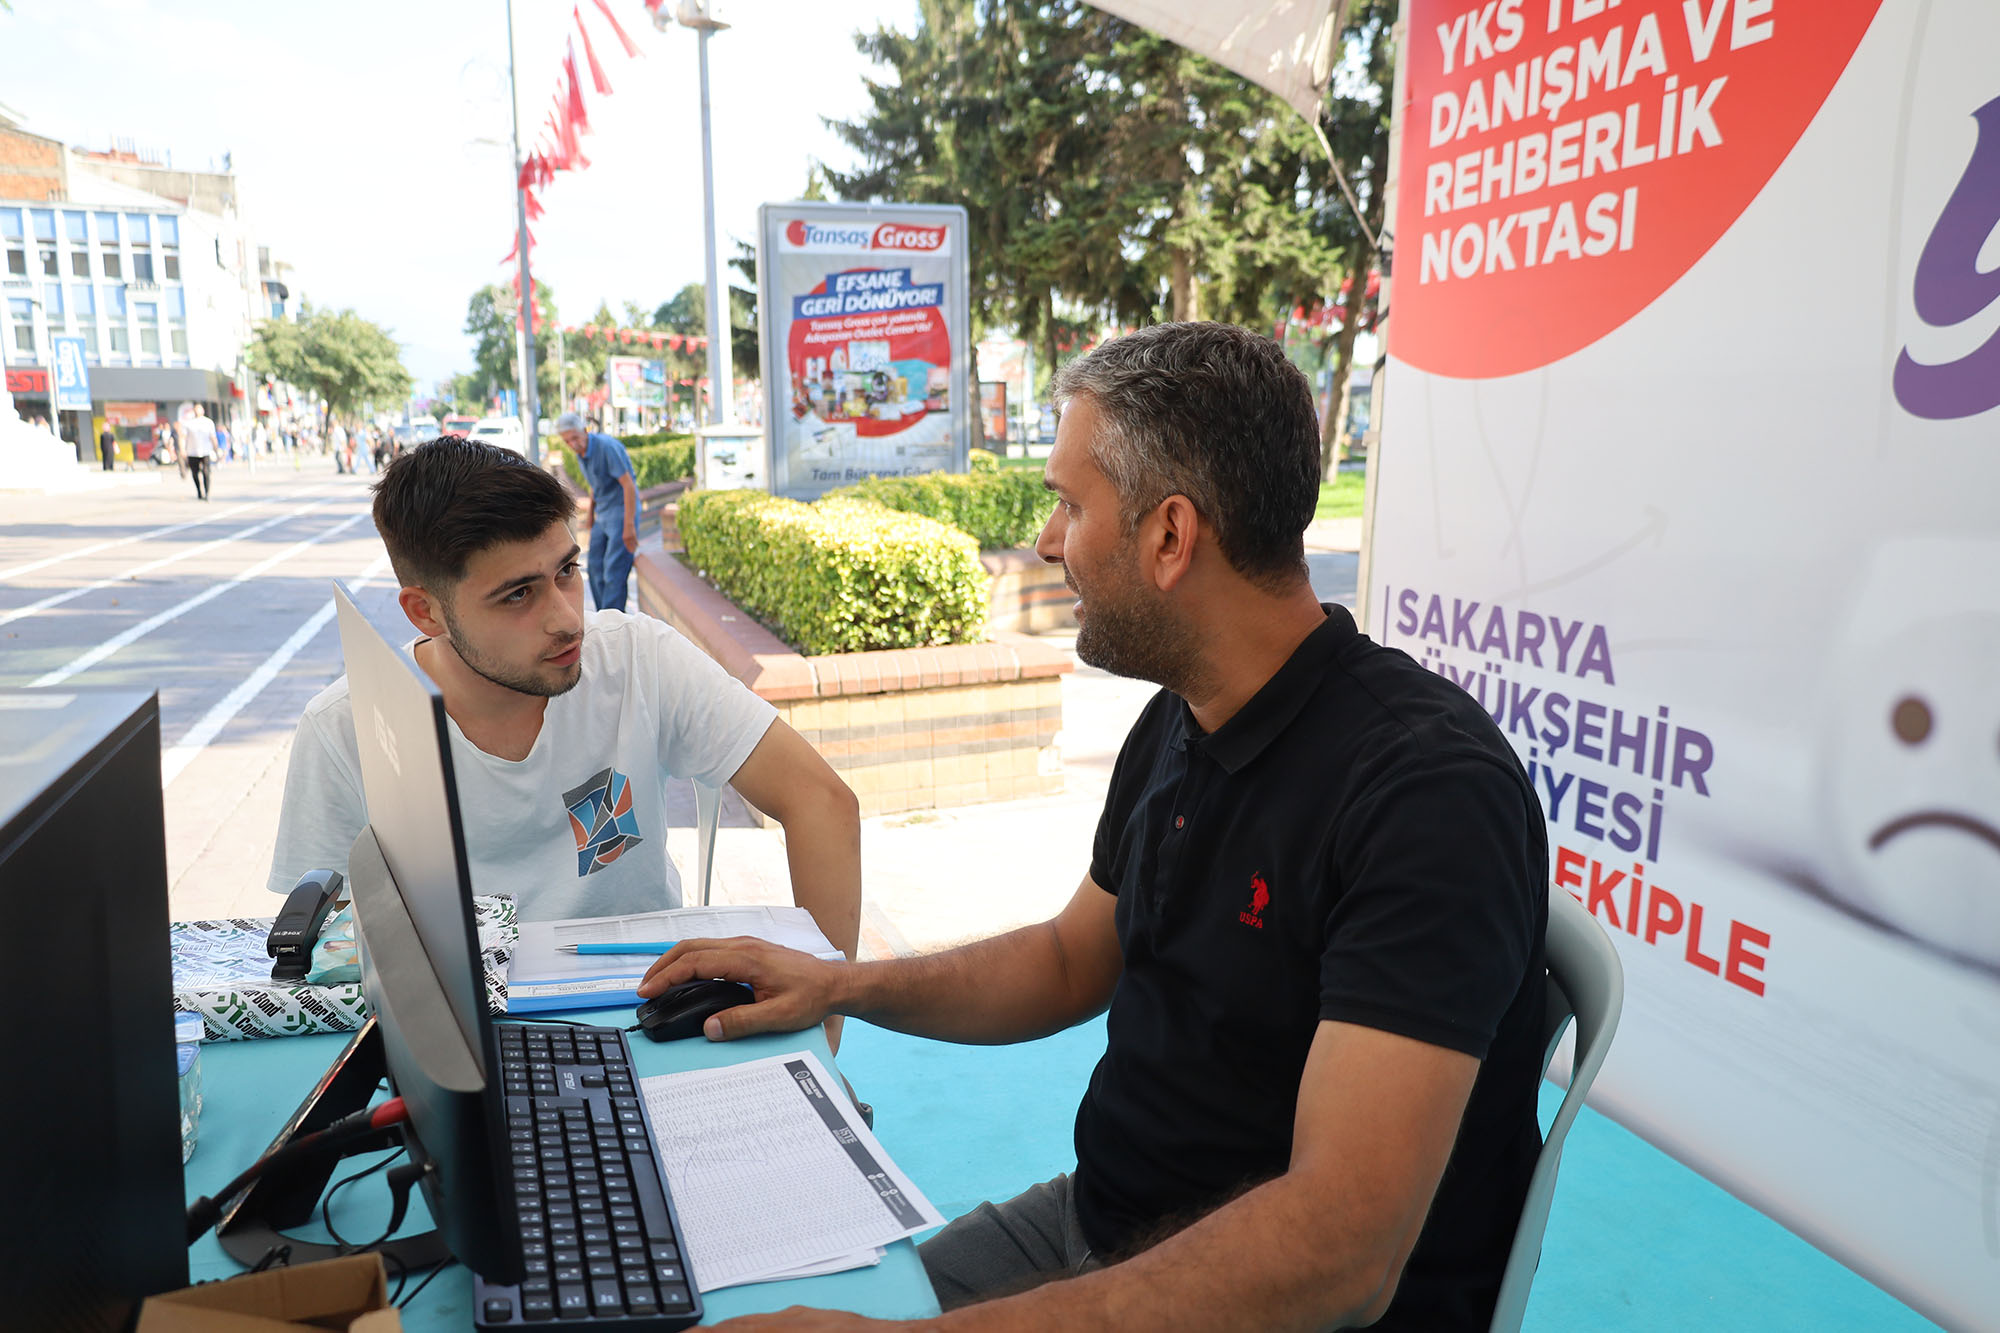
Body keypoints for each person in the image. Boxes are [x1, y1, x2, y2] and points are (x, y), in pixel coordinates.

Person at [639, 323, 1548, 1332]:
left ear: (1168, 536)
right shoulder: (1185, 712)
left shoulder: (1424, 795)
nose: (1043, 540)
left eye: (1068, 505)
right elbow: (1073, 958)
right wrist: (839, 983)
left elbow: (1339, 1250)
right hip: (1099, 1228)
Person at [264, 434, 861, 974]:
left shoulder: (636, 659)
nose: (566, 617)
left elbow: (821, 800)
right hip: (468, 1041)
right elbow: (328, 947)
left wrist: (827, 1009)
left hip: (648, 1008)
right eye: (518, 594)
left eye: (567, 570)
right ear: (427, 612)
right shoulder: (348, 729)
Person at [555, 411, 639, 613]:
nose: (573, 444)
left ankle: (614, 622)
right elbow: (595, 485)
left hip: (621, 512)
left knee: (613, 572)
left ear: (585, 430)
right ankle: (605, 615)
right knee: (593, 567)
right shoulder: (581, 454)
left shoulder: (606, 447)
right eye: (567, 441)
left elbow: (628, 486)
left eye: (575, 438)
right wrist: (591, 515)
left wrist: (629, 527)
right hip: (603, 512)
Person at [181, 407, 217, 500]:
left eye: (199, 409)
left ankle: (207, 493)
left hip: (205, 451)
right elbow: (183, 437)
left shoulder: (208, 422)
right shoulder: (188, 423)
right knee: (195, 473)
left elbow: (213, 437)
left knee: (206, 472)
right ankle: (199, 492)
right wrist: (182, 449)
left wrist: (216, 449)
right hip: (192, 452)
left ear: (203, 411)